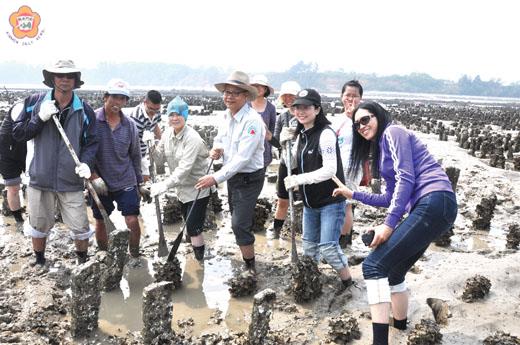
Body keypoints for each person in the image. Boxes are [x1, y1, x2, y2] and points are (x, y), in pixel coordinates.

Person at [332, 101, 457, 345]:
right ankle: (400, 325)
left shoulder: (393, 132)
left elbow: (406, 178)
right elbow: (389, 197)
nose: (361, 126)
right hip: (437, 207)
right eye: (357, 124)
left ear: (378, 115)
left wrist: (388, 225)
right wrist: (353, 194)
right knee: (395, 270)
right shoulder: (380, 151)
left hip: (433, 200)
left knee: (373, 266)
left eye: (365, 119)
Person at [12, 59, 98, 266]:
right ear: (52, 79)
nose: (65, 80)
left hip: (71, 178)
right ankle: (40, 260)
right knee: (39, 223)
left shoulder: (85, 110)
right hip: (39, 176)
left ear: (76, 81)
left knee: (80, 225)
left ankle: (82, 261)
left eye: (70, 76)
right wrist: (39, 118)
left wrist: (86, 163)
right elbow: (18, 134)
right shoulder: (34, 103)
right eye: (60, 76)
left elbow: (91, 142)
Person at [281, 89, 353, 291]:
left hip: (331, 201)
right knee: (309, 247)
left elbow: (330, 169)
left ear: (317, 109)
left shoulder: (326, 134)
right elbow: (290, 162)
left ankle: (348, 283)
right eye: (297, 107)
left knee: (329, 248)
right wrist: (283, 144)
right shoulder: (301, 134)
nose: (300, 111)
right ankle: (311, 284)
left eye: (306, 107)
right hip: (309, 203)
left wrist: (299, 179)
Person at [195, 71, 265, 273]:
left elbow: (242, 159)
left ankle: (251, 267)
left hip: (249, 178)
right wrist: (216, 149)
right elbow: (220, 139)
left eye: (235, 93)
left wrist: (214, 178)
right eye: (226, 92)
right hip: (233, 177)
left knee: (238, 224)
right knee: (238, 218)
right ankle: (247, 258)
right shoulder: (225, 116)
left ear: (246, 96)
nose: (229, 96)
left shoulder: (252, 121)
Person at [149, 96, 211, 261]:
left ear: (185, 115)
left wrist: (164, 185)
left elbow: (184, 169)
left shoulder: (193, 138)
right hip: (181, 189)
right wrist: (150, 146)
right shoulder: (167, 133)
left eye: (178, 114)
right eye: (171, 114)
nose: (174, 118)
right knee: (187, 220)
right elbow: (159, 159)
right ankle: (193, 251)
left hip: (198, 188)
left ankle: (199, 262)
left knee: (193, 226)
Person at [90, 79, 145, 257]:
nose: (118, 102)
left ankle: (135, 254)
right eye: (114, 97)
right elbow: (83, 153)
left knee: (132, 220)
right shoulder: (92, 121)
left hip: (125, 179)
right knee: (100, 221)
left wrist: (140, 183)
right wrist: (93, 176)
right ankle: (103, 254)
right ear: (105, 97)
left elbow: (136, 156)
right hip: (100, 181)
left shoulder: (129, 125)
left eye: (122, 99)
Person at [269, 81, 301, 237]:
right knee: (282, 200)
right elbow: (275, 140)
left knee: (304, 200)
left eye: (292, 95)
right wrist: (279, 141)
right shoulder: (282, 117)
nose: (288, 99)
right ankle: (276, 231)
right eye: (285, 96)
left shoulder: (305, 113)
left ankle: (303, 232)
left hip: (304, 164)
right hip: (286, 162)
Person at [335, 80, 364, 247]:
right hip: (333, 168)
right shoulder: (336, 120)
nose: (351, 99)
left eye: (355, 96)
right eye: (348, 95)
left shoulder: (362, 120)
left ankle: (343, 240)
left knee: (347, 204)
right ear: (341, 97)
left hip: (352, 168)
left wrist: (355, 117)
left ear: (361, 99)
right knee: (334, 203)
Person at [128, 90, 163, 182]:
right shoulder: (136, 117)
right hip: (133, 153)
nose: (154, 112)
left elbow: (155, 126)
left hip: (145, 150)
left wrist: (163, 141)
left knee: (146, 179)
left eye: (157, 109)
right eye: (151, 109)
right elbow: (131, 142)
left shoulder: (156, 111)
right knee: (138, 180)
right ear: (145, 103)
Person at [0, 102, 26, 223]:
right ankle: (18, 219)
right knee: (13, 187)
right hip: (7, 152)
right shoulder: (19, 109)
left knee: (36, 185)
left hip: (26, 150)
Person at [250, 75, 278, 168]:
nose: (257, 88)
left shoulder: (271, 108)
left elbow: (272, 131)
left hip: (264, 151)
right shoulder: (245, 105)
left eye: (260, 86)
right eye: (255, 85)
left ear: (265, 89)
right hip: (246, 149)